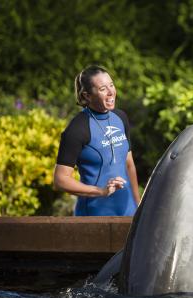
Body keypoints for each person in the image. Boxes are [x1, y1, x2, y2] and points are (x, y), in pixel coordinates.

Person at [53, 65, 140, 216]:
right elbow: (61, 179)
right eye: (102, 89)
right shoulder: (77, 129)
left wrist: (138, 204)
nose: (111, 92)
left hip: (128, 211)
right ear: (87, 96)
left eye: (111, 85)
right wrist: (100, 191)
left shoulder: (120, 117)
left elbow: (128, 164)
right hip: (94, 214)